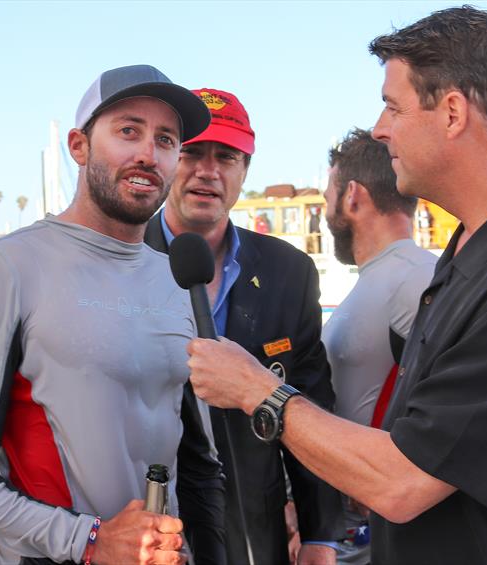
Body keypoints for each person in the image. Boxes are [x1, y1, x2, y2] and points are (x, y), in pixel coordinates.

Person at [184, 7, 487, 565]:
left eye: (393, 105)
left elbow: (404, 481)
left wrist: (257, 389)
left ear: (452, 112)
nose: (380, 128)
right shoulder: (476, 253)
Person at [0, 65, 226, 565]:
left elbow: (199, 462)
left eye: (166, 140)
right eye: (128, 131)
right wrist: (89, 541)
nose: (148, 154)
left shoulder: (175, 278)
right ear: (79, 147)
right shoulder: (2, 269)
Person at [144, 88, 343, 565]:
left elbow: (312, 401)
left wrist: (321, 535)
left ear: (245, 170)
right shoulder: (121, 261)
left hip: (259, 536)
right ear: (169, 159)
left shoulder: (288, 270)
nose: (208, 170)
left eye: (227, 156)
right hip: (153, 536)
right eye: (192, 151)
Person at [321, 128, 437, 564]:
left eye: (327, 194)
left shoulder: (415, 279)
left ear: (352, 195)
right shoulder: (392, 278)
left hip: (384, 533)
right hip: (355, 531)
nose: (325, 210)